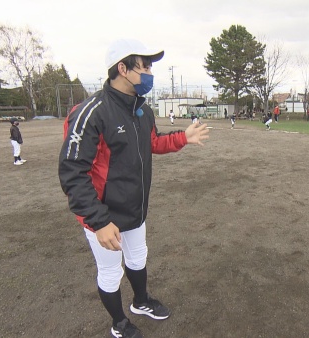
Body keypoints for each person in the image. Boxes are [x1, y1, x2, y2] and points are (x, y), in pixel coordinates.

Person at [58, 38, 210, 338]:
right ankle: (119, 322)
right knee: (111, 271)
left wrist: (183, 138)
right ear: (123, 69)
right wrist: (98, 221)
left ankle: (141, 301)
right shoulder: (91, 112)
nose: (150, 73)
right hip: (104, 215)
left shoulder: (143, 110)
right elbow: (73, 172)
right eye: (146, 67)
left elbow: (152, 143)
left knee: (138, 257)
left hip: (135, 209)